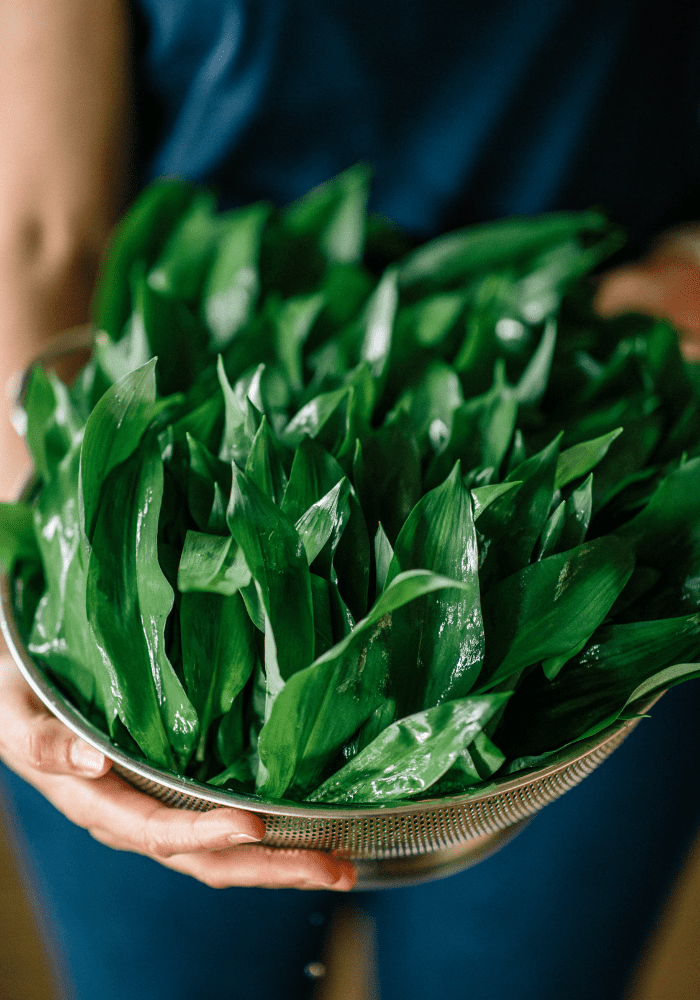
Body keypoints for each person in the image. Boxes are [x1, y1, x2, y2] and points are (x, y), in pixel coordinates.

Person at [1, 2, 699, 997]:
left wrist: (681, 280)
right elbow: (35, 229)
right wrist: (46, 549)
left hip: (592, 499)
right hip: (180, 460)